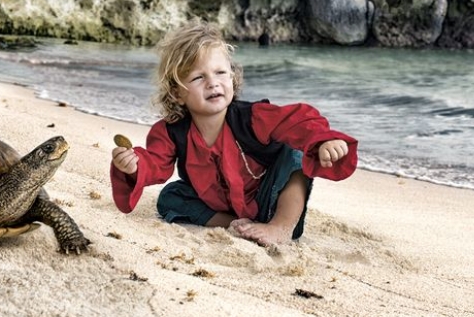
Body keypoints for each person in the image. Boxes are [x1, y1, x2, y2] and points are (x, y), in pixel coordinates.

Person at [110, 20, 357, 246]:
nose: (213, 83)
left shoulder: (253, 117)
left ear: (232, 76)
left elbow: (298, 120)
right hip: (222, 206)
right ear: (177, 92)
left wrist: (325, 141)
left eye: (220, 72)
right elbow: (156, 162)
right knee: (170, 197)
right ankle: (231, 224)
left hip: (269, 201)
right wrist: (134, 165)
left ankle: (280, 227)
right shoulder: (172, 132)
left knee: (294, 152)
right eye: (198, 77)